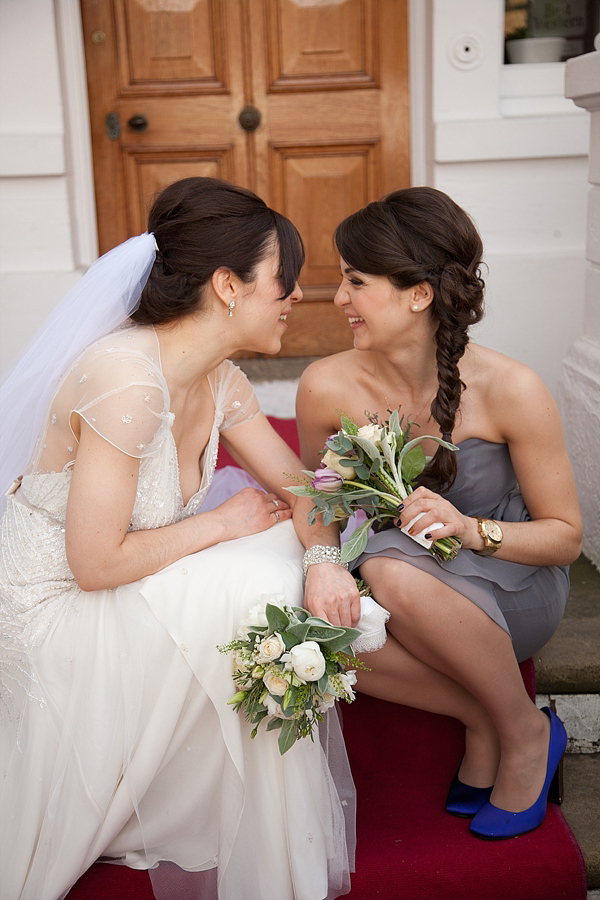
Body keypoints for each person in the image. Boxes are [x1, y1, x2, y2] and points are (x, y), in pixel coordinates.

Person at [0, 177, 361, 900]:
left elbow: (299, 489)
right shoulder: (125, 379)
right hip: (54, 603)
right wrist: (220, 524)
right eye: (283, 279)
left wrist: (326, 562)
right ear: (228, 284)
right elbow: (95, 564)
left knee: (286, 559)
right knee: (254, 582)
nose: (297, 297)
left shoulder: (219, 378)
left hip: (128, 572)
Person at [296, 186, 583, 840]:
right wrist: (320, 563)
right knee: (318, 636)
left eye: (354, 281)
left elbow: (565, 538)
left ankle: (525, 736)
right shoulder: (325, 385)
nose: (339, 299)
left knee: (391, 572)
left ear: (418, 294)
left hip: (511, 587)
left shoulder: (513, 387)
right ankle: (485, 718)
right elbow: (317, 498)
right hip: (404, 586)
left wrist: (469, 529)